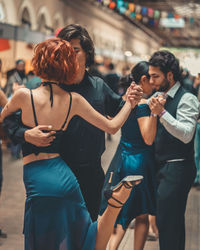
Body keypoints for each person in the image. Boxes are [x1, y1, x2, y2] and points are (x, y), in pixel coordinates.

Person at [0, 37, 143, 250]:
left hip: (37, 178)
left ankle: (114, 204)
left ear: (39, 62)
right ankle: (113, 205)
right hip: (65, 178)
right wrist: (130, 104)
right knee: (83, 232)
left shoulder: (23, 95)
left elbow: (2, 121)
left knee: (44, 238)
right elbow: (112, 127)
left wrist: (26, 134)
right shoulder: (73, 100)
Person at [100, 61, 158, 250]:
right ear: (143, 79)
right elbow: (148, 138)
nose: (155, 83)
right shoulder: (142, 104)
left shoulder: (125, 100)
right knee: (141, 215)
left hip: (124, 159)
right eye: (152, 78)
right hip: (139, 163)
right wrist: (155, 114)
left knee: (120, 215)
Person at [148, 50, 200, 250]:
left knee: (167, 222)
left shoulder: (187, 99)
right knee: (173, 222)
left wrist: (160, 113)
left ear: (170, 75)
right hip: (162, 166)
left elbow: (186, 134)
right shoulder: (158, 96)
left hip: (178, 168)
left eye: (156, 76)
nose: (151, 81)